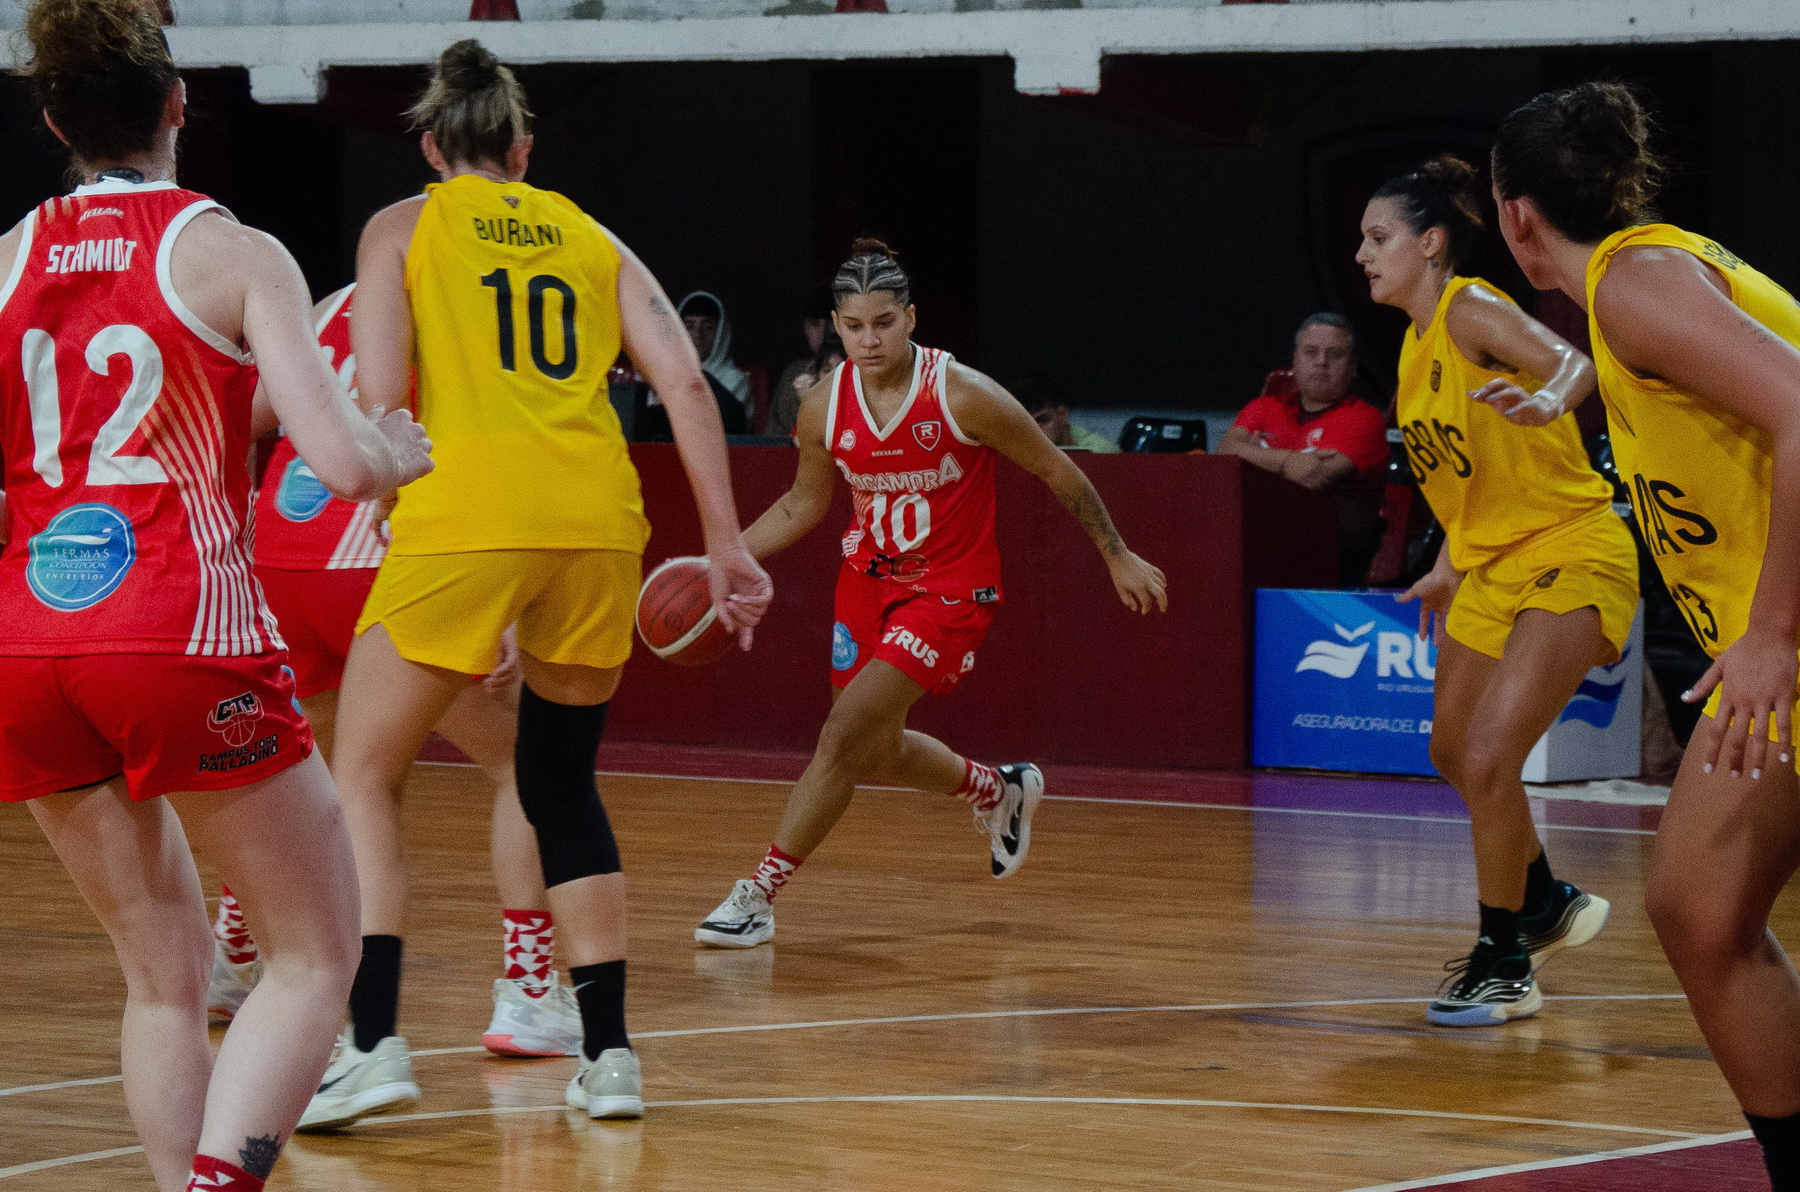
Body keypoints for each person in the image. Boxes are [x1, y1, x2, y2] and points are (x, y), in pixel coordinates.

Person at [299, 39, 771, 1129]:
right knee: (561, 785)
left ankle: (371, 1043)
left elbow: (384, 398)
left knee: (363, 771)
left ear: (431, 145)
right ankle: (609, 1056)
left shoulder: (400, 229)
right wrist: (726, 544)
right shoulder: (592, 236)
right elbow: (685, 381)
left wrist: (394, 503)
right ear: (522, 148)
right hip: (597, 525)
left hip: (468, 516)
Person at [0, 3, 432, 1190]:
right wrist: (393, 452)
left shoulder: (6, 258)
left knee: (163, 977)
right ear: (178, 103)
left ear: (55, 122)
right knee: (316, 954)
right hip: (176, 632)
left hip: (27, 643)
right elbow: (339, 463)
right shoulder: (234, 253)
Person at [1488, 81, 1800, 1188]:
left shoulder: (1634, 283)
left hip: (1784, 647)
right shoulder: (1639, 286)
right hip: (1773, 662)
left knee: (1702, 910)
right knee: (1699, 909)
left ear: (1517, 215)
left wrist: (1770, 633)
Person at [694, 239, 1166, 948]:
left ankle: (757, 895)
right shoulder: (823, 406)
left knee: (841, 736)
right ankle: (997, 789)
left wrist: (1117, 553)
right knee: (871, 749)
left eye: (884, 323)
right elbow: (803, 502)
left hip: (949, 592)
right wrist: (725, 557)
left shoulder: (962, 393)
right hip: (865, 585)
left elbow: (1057, 469)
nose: (870, 340)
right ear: (836, 325)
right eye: (855, 326)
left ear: (910, 318)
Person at [209, 284, 582, 1062]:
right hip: (381, 555)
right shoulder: (461, 304)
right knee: (524, 764)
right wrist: (506, 605)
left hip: (283, 555)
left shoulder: (326, 306)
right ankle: (528, 991)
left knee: (314, 775)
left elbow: (239, 415)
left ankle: (234, 953)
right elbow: (488, 451)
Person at [1356, 154, 1636, 1027]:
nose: (1363, 254)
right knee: (1452, 752)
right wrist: (1447, 564)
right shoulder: (1414, 349)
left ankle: (1504, 957)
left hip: (1572, 547)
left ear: (1430, 243)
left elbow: (1575, 362)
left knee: (1488, 757)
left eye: (1378, 237)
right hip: (1490, 566)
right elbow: (1467, 475)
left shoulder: (1469, 307)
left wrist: (1552, 400)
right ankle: (1544, 901)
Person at [1215, 314, 1389, 583]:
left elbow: (1311, 476)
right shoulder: (1262, 408)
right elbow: (1225, 453)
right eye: (1310, 352)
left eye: (1335, 354)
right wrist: (1287, 461)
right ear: (1295, 360)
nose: (1321, 362)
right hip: (1258, 547)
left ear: (1353, 366)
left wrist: (1254, 458)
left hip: (1330, 560)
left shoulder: (1365, 419)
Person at [769, 287, 834, 437]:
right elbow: (775, 433)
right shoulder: (794, 372)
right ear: (805, 327)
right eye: (815, 324)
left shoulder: (859, 371)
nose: (823, 333)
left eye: (830, 324)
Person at [680, 289, 752, 415]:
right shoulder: (663, 375)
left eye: (708, 328)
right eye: (690, 327)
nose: (698, 334)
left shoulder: (734, 381)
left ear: (720, 334)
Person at [1013, 373, 1119, 453]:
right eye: (1026, 423)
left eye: (1042, 420)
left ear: (1062, 414)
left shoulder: (1101, 453)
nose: (1035, 430)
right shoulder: (1009, 452)